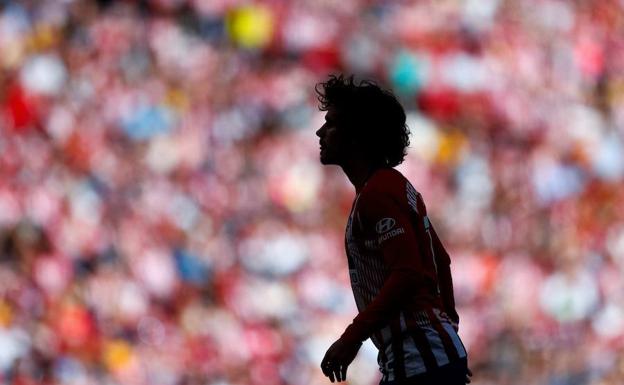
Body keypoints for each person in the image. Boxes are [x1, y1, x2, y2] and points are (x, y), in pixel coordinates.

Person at [316, 75, 471, 385]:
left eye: (331, 124)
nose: (320, 132)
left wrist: (351, 338)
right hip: (428, 355)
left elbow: (408, 273)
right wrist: (447, 332)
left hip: (417, 359)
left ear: (355, 136)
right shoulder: (393, 187)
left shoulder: (378, 194)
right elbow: (441, 261)